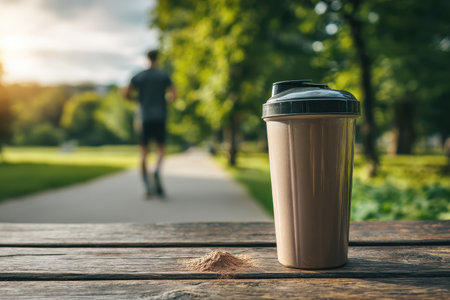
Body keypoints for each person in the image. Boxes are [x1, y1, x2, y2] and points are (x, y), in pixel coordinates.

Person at [124, 50, 176, 197]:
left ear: (147, 58)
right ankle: (157, 171)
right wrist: (164, 102)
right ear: (158, 58)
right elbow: (174, 95)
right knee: (160, 149)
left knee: (144, 153)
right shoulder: (164, 76)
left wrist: (137, 100)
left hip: (144, 117)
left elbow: (126, 94)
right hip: (160, 116)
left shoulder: (139, 76)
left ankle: (147, 186)